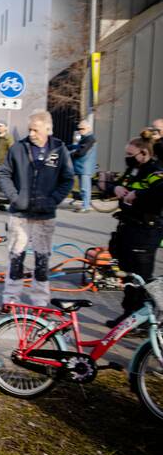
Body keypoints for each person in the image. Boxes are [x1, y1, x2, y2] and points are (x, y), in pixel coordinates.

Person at [0, 111, 74, 312]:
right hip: (20, 214)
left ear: (48, 129)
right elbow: (4, 174)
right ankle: (10, 299)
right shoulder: (18, 148)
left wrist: (53, 201)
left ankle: (40, 301)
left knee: (42, 260)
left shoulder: (59, 149)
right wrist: (15, 197)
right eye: (29, 129)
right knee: (16, 257)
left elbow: (67, 179)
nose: (31, 134)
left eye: (35, 130)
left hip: (45, 215)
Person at [105, 137, 163, 325]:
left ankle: (146, 320)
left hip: (144, 231)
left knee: (142, 278)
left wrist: (137, 194)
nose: (127, 157)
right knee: (129, 276)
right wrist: (116, 188)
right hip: (128, 228)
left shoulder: (154, 171)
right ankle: (129, 315)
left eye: (131, 154)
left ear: (144, 153)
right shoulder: (133, 169)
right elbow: (111, 185)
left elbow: (160, 192)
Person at [68, 119, 97, 213]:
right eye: (79, 129)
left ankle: (86, 207)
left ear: (88, 128)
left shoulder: (90, 139)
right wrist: (69, 147)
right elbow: (78, 147)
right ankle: (84, 205)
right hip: (82, 167)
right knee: (83, 188)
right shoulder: (85, 138)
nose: (80, 130)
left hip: (85, 167)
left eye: (82, 128)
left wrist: (71, 154)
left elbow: (81, 152)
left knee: (85, 188)